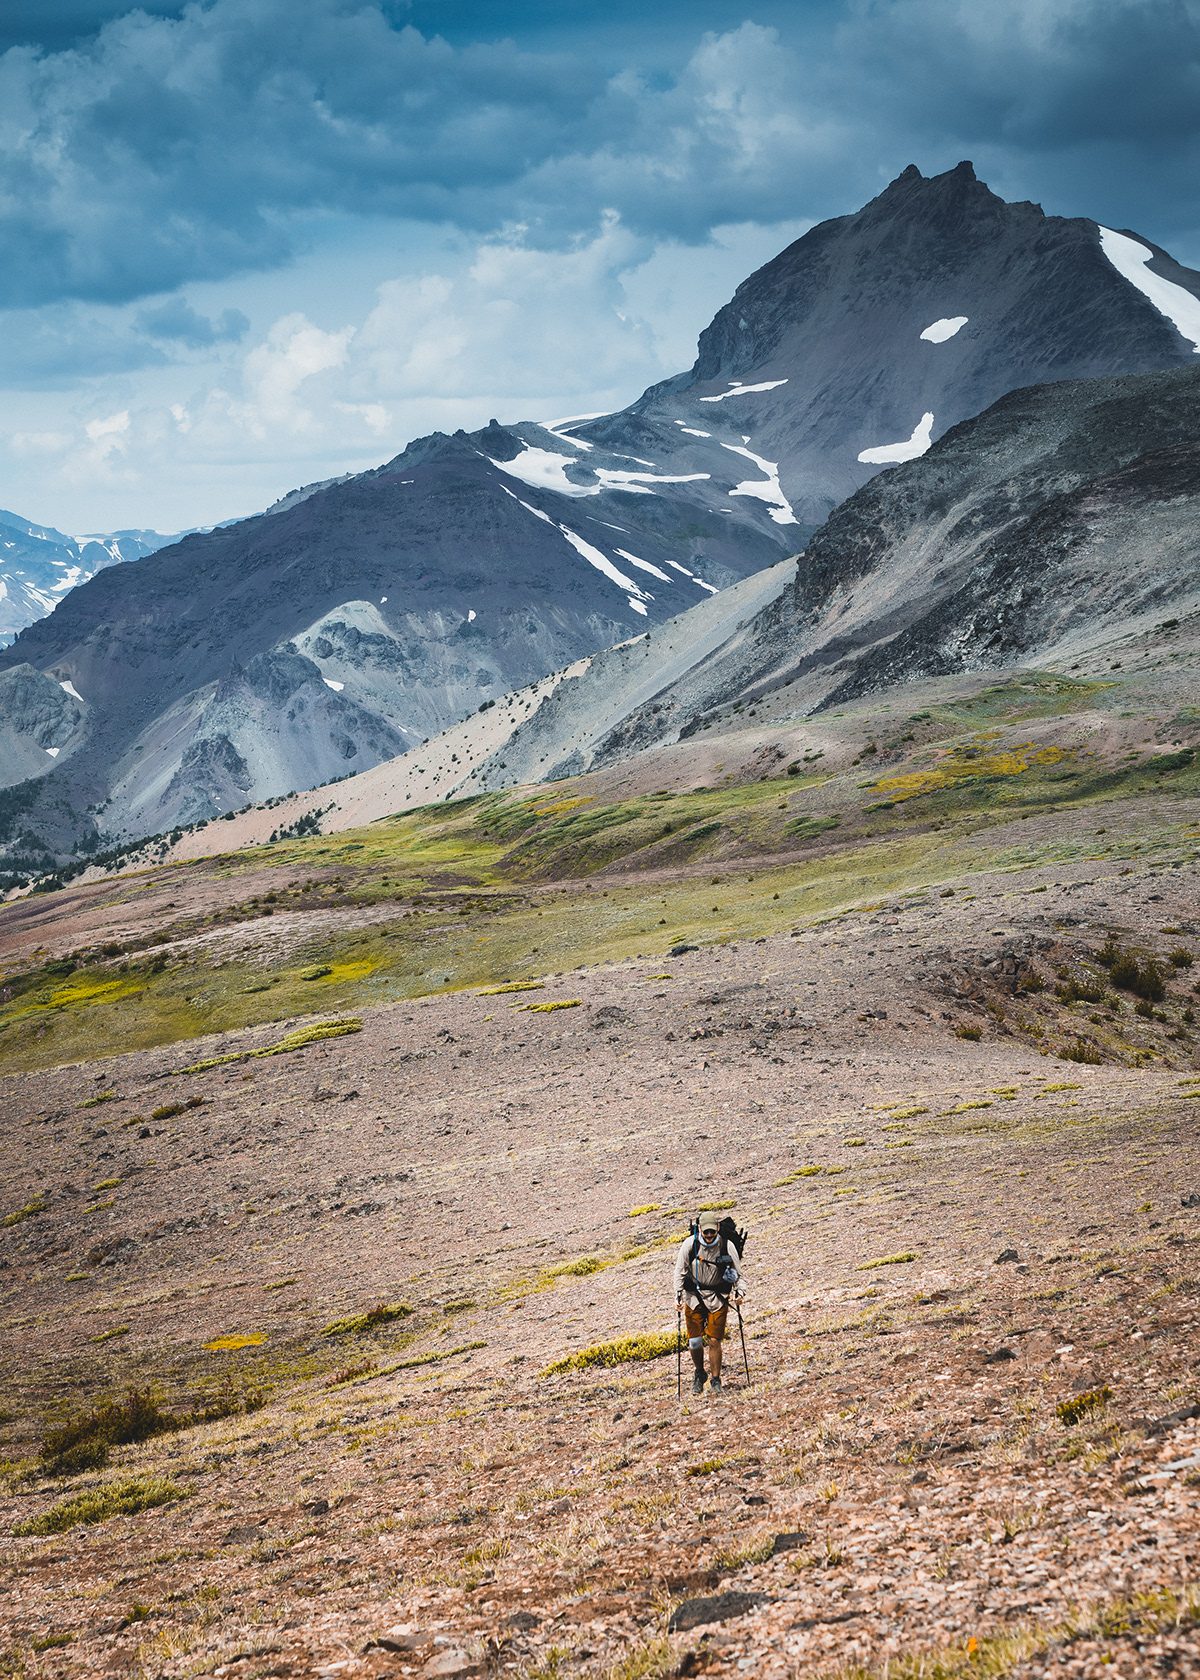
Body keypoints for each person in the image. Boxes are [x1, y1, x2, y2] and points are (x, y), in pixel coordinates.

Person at [674, 1212, 744, 1395]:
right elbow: (680, 1271)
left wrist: (740, 1293)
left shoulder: (727, 1246)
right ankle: (699, 1373)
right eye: (706, 1232)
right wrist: (677, 1295)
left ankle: (716, 1379)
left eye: (712, 1231)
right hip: (693, 1297)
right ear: (700, 1230)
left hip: (718, 1297)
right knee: (695, 1341)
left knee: (714, 1339)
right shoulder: (689, 1245)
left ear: (718, 1228)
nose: (709, 1235)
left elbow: (739, 1274)